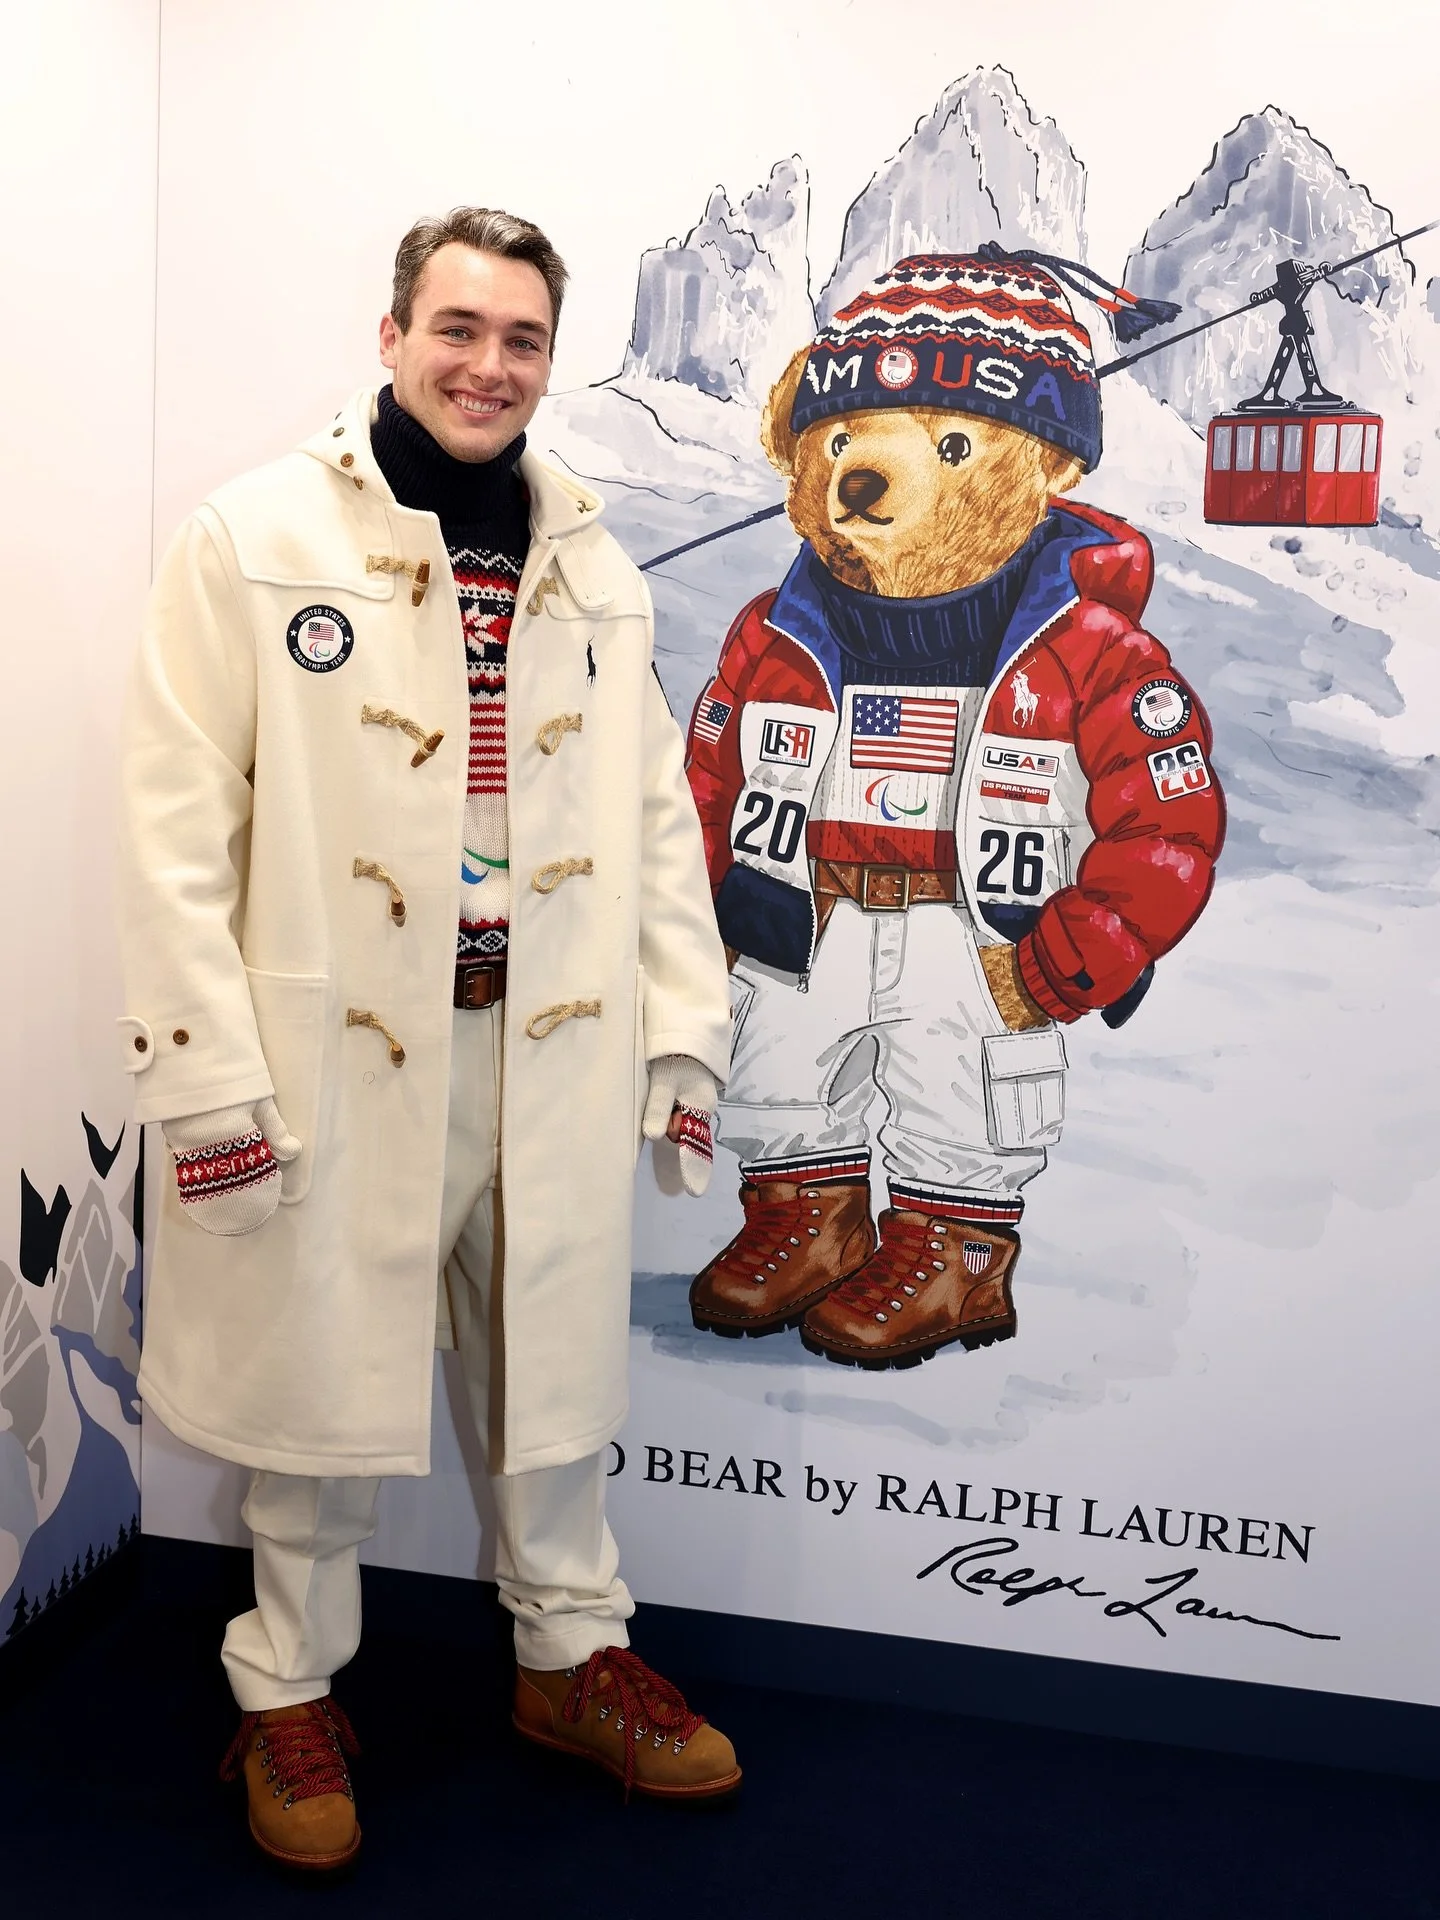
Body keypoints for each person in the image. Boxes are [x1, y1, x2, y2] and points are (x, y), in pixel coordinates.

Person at [116, 207, 737, 1873]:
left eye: (522, 338)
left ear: (549, 359)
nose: (487, 365)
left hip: (544, 1046)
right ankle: (289, 1686)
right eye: (458, 328)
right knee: (328, 1390)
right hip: (340, 1053)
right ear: (391, 335)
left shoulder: (591, 564)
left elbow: (655, 822)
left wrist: (682, 1029)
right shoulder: (249, 538)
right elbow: (175, 834)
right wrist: (205, 1075)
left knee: (549, 1380)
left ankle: (565, 1656)